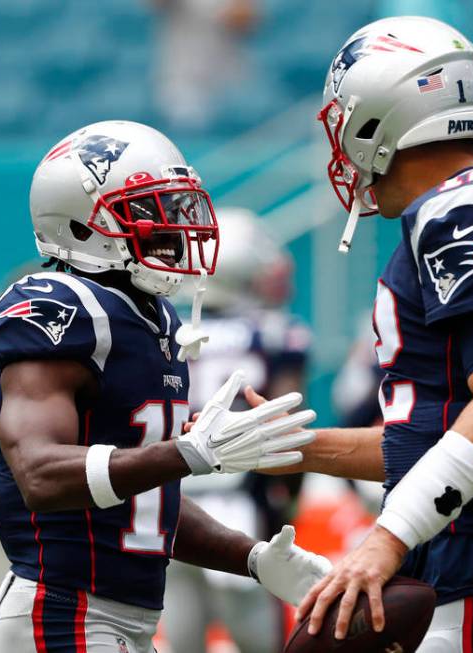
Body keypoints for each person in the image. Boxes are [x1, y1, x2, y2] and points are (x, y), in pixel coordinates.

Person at [256, 17, 473, 651]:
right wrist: (289, 446)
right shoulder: (462, 206)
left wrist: (385, 538)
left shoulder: (468, 207)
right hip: (462, 558)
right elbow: (429, 439)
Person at [0, 120, 331, 653]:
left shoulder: (156, 319)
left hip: (126, 618)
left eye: (176, 206)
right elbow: (39, 474)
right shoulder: (59, 305)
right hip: (61, 613)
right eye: (148, 210)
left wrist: (251, 557)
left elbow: (147, 502)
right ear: (80, 225)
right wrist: (187, 453)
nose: (174, 226)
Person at [162, 208, 311, 653]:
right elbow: (288, 425)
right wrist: (289, 497)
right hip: (242, 503)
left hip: (174, 498)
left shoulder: (170, 331)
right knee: (262, 641)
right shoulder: (276, 333)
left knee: (182, 637)